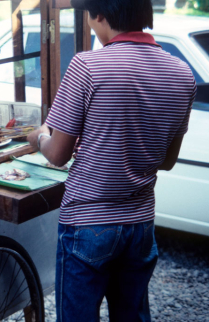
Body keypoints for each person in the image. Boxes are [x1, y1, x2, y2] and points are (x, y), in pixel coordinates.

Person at [27, 0, 197, 320]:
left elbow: (58, 155)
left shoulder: (87, 65)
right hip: (140, 225)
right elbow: (167, 160)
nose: (89, 22)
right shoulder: (181, 72)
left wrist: (38, 137)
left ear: (100, 15)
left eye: (89, 15)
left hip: (87, 223)